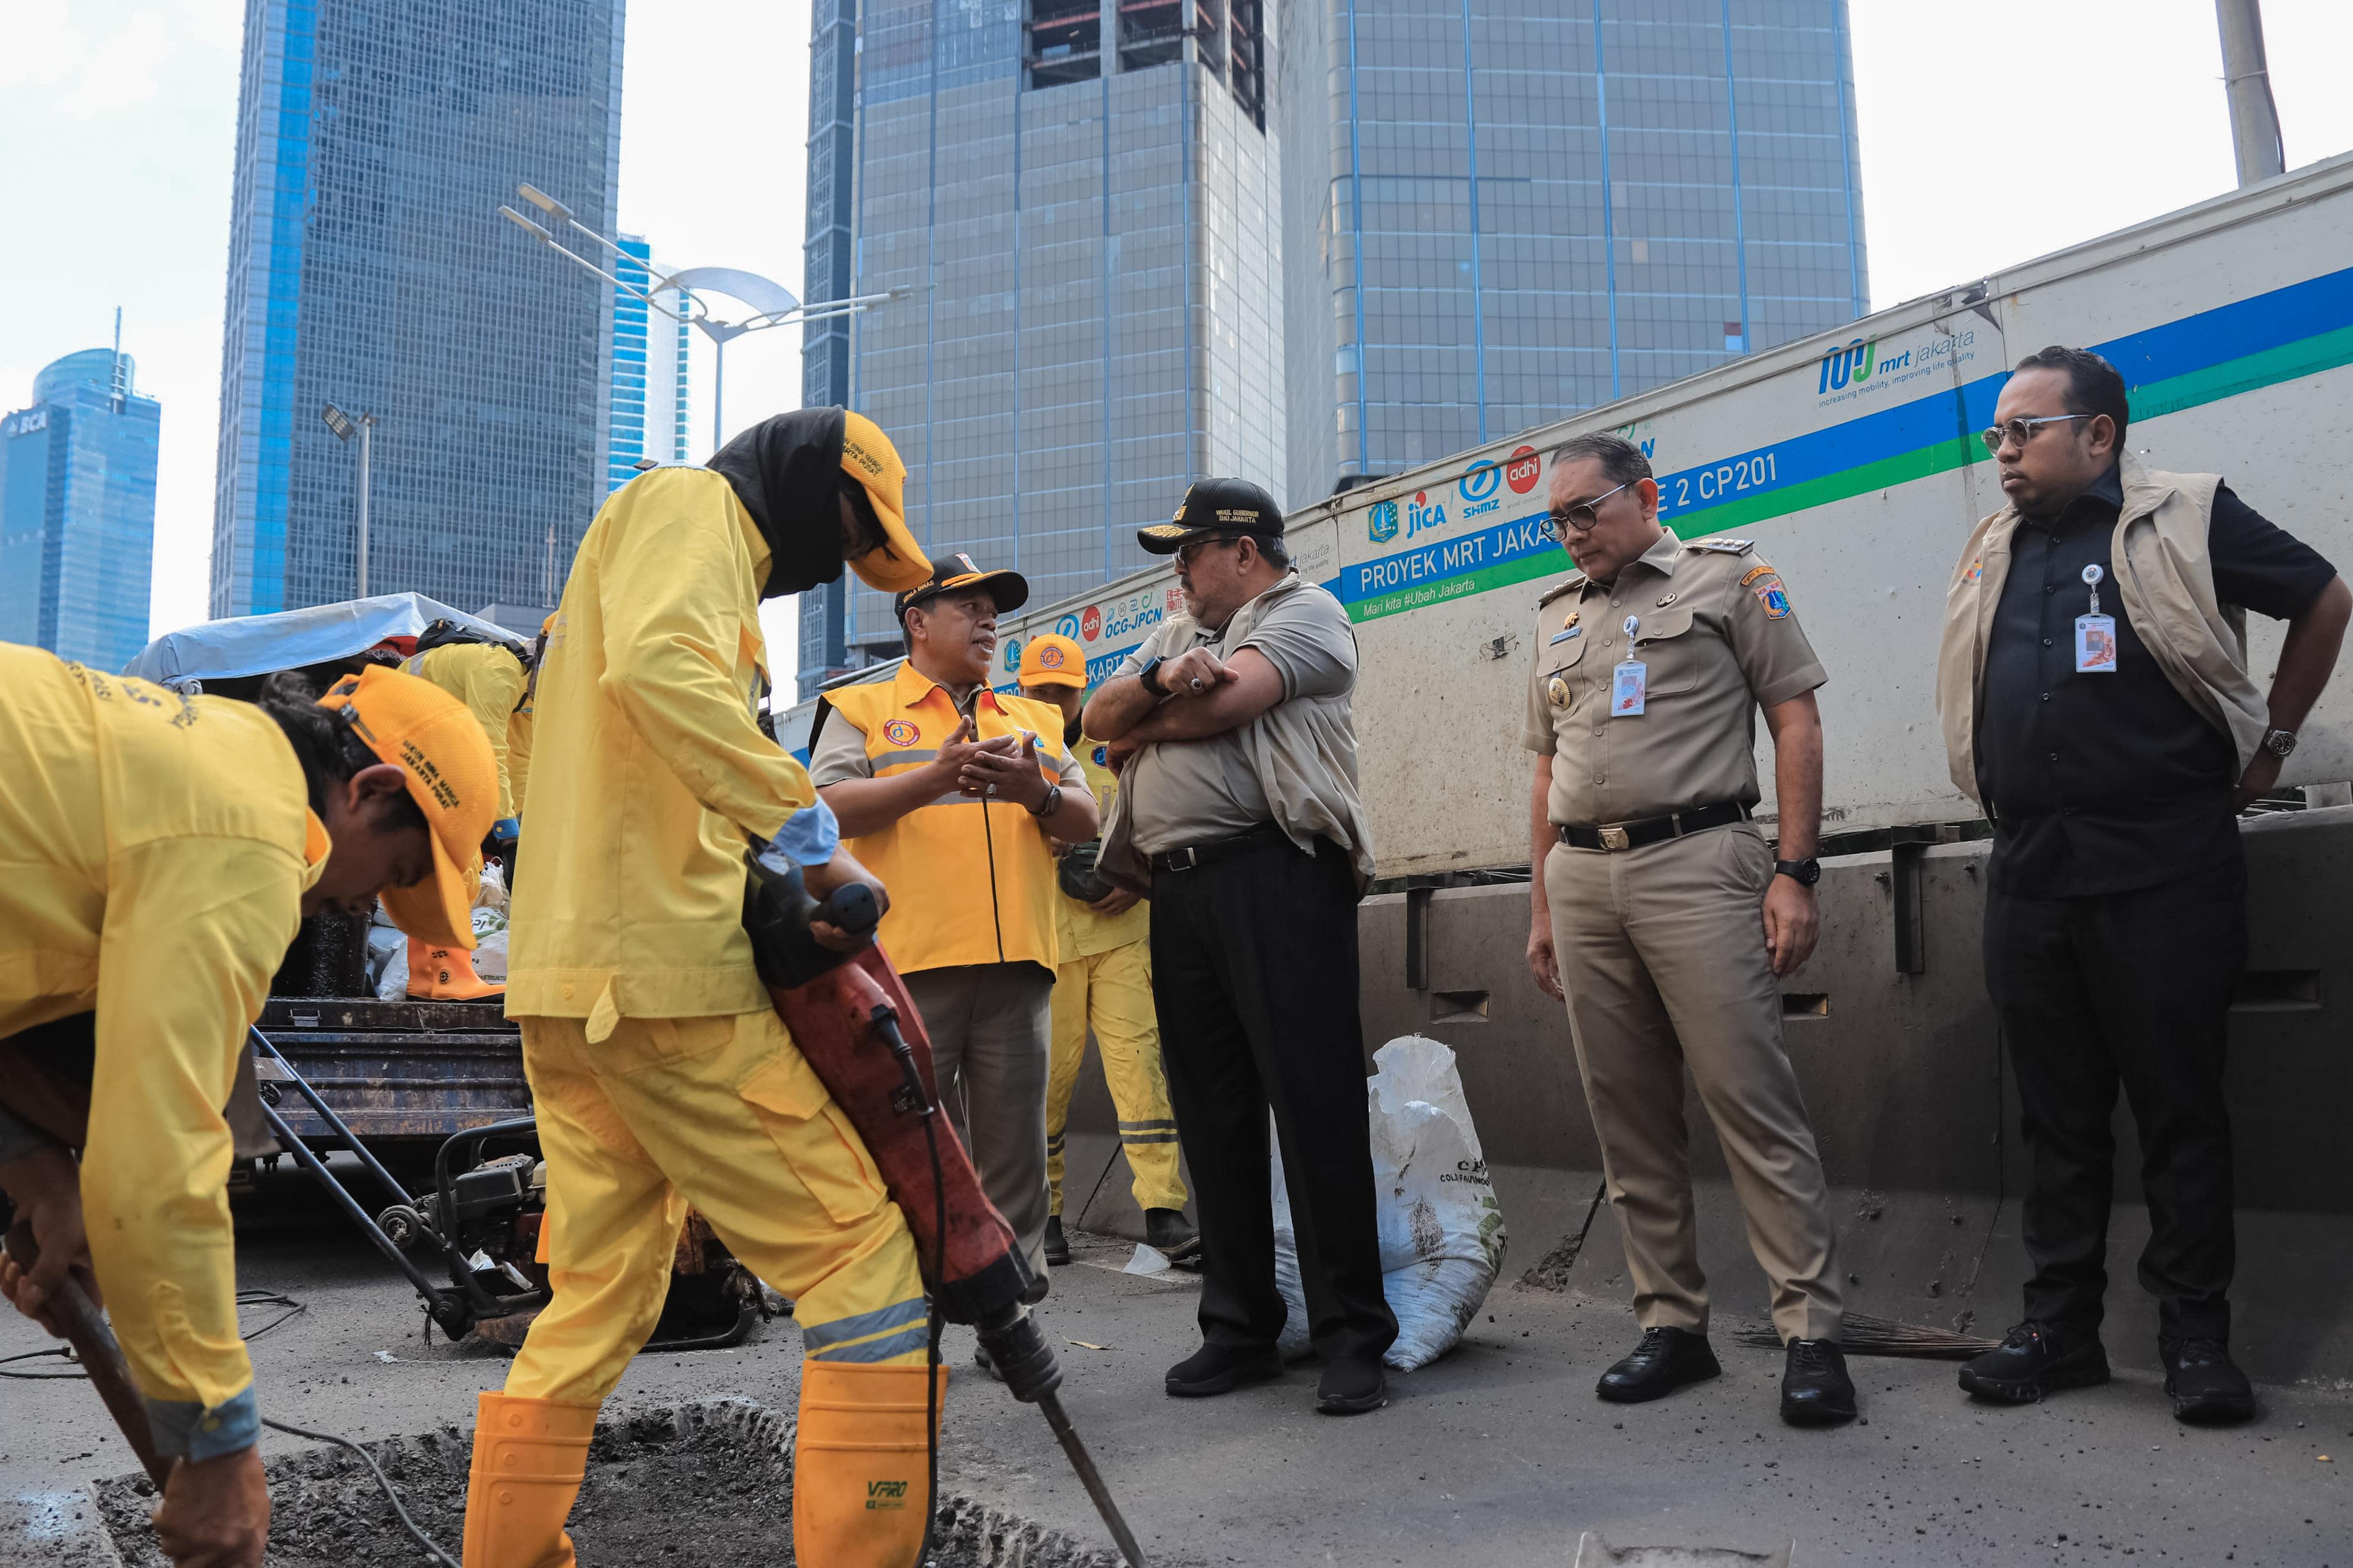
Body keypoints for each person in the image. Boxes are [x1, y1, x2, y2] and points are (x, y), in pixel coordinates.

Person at [468, 408, 950, 1568]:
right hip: (663, 977)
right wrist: (808, 839)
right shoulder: (695, 506)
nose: (830, 564)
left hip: (573, 979)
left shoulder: (645, 536)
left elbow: (642, 724)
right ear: (798, 478)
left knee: (593, 1297)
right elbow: (660, 668)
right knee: (863, 1267)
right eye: (844, 531)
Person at [0, 651, 496, 1568]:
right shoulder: (248, 830)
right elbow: (161, 1154)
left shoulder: (186, 767)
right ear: (368, 788)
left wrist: (37, 1175)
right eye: (391, 871)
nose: (361, 906)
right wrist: (223, 1447)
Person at [1934, 347, 2349, 1424]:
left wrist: (2275, 743)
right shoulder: (1996, 544)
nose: (2005, 452)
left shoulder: (2189, 514)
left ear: (2100, 434)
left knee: (2180, 1109)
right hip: (2033, 868)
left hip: (2165, 860)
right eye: (1996, 436)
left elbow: (2324, 596)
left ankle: (2196, 1338)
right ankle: (2059, 1328)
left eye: (2024, 430)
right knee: (2057, 1116)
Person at [1520, 431, 1854, 1427]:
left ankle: (1812, 1334)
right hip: (1583, 875)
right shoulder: (1555, 618)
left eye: (1585, 512)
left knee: (1751, 1101)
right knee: (1625, 1111)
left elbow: (1796, 719)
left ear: (1647, 494)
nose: (1570, 534)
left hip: (1701, 860)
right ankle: (1672, 1322)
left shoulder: (1731, 580)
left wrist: (1794, 871)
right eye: (1556, 521)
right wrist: (1539, 902)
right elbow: (1542, 769)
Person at [1084, 476, 1396, 1417]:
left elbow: (1226, 709)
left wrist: (1148, 728)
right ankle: (1239, 1328)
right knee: (1210, 1113)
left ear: (1243, 552)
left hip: (1277, 876)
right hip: (1177, 890)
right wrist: (1146, 692)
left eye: (1186, 552)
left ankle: (1350, 1334)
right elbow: (1096, 720)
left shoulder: (1307, 614)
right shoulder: (1178, 638)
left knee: (1312, 1106)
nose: (1175, 571)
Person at [812, 556, 1099, 1295]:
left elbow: (1086, 815)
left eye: (992, 610)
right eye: (968, 606)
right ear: (916, 621)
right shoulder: (860, 708)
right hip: (909, 969)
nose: (988, 621)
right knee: (912, 1152)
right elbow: (827, 809)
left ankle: (1014, 1296)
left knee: (1015, 1157)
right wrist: (936, 776)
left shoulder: (1032, 717)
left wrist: (1036, 792)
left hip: (1018, 967)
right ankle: (916, 1305)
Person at [1013, 632, 1197, 1267]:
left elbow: (1153, 821)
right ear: (1021, 690)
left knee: (1140, 1072)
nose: (1051, 701)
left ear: (1081, 691)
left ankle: (1164, 1209)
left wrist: (1134, 874)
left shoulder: (1112, 751)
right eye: (1039, 691)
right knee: (1047, 1086)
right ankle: (1048, 1213)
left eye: (1062, 691)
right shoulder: (1010, 758)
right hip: (1049, 941)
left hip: (1121, 935)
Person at [402, 621, 530, 999]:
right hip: (406, 741)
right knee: (454, 861)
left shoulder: (531, 691)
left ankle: (426, 978)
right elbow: (490, 754)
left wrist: (526, 828)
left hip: (428, 746)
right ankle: (449, 978)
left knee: (441, 864)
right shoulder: (498, 672)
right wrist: (508, 836)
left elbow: (521, 759)